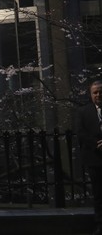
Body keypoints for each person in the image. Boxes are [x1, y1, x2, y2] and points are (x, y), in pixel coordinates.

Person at [76, 80, 102, 235]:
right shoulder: (83, 112)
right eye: (95, 92)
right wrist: (96, 144)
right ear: (91, 94)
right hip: (94, 158)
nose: (98, 95)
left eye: (100, 92)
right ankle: (100, 224)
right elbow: (81, 132)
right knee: (99, 194)